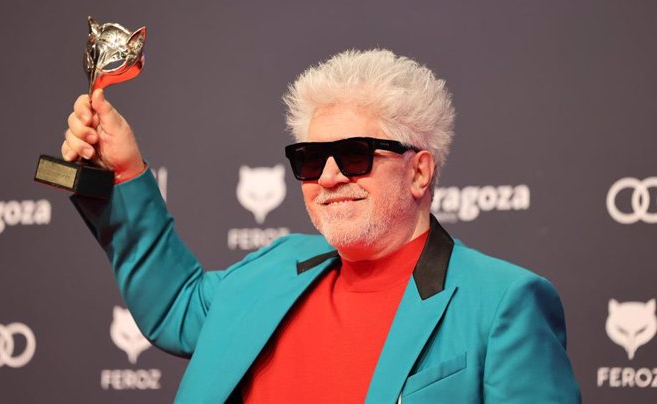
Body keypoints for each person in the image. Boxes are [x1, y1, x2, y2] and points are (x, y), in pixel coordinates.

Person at [63, 49, 580, 403]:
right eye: (310, 160)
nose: (328, 177)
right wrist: (126, 173)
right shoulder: (276, 266)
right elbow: (175, 306)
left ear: (419, 171)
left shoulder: (503, 303)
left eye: (355, 155)